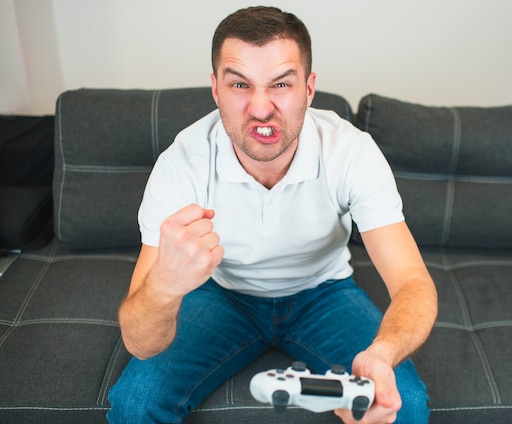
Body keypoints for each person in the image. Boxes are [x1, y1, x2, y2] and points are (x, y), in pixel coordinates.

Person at [107, 6, 437, 424]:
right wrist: (164, 289)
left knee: (403, 403)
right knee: (134, 401)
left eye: (280, 83)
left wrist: (381, 354)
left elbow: (413, 283)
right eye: (240, 84)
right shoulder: (181, 164)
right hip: (222, 295)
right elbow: (139, 342)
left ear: (309, 88)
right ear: (215, 89)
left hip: (324, 293)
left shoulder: (351, 152)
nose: (261, 109)